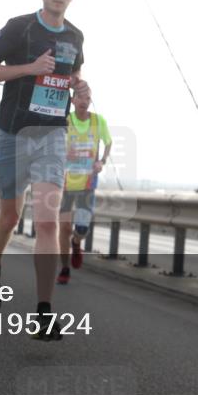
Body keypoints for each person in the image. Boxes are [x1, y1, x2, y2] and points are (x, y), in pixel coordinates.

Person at [0, 0, 87, 340]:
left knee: (46, 221)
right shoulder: (18, 27)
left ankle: (43, 312)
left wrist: (81, 89)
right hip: (13, 134)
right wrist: (30, 67)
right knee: (8, 216)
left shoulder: (75, 36)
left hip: (52, 136)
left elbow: (72, 78)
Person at [57, 89, 112, 284]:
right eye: (80, 97)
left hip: (88, 183)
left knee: (81, 228)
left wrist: (102, 161)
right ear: (72, 100)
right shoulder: (65, 120)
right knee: (63, 228)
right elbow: (53, 144)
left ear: (90, 101)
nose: (84, 101)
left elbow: (108, 142)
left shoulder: (98, 121)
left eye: (87, 97)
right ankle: (64, 268)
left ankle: (76, 242)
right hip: (65, 183)